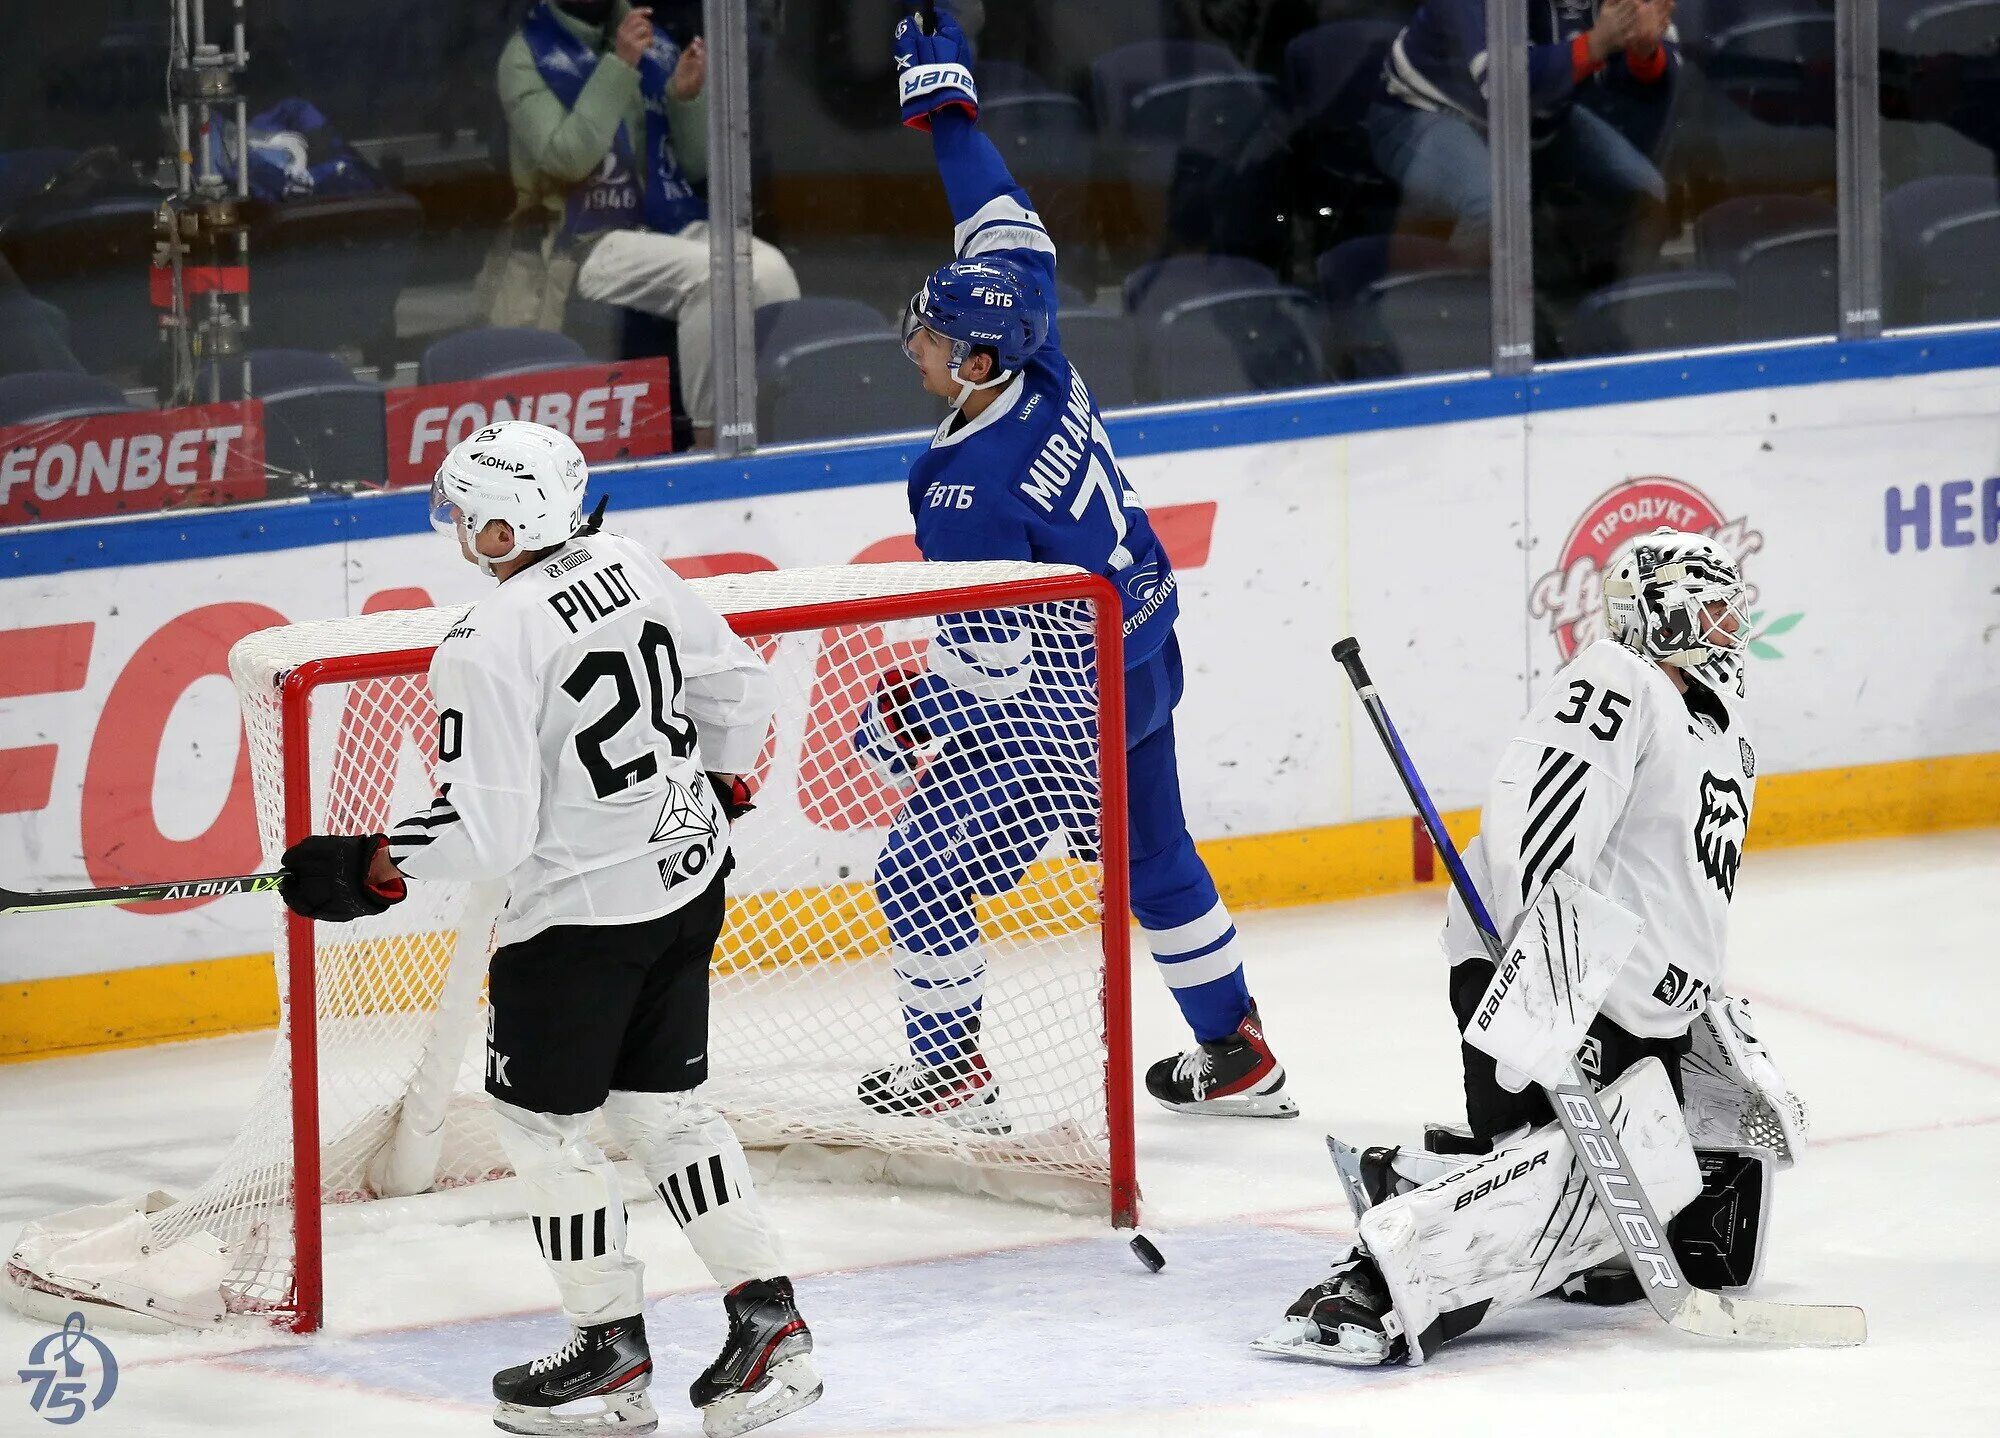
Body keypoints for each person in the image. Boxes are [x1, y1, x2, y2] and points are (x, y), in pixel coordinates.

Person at [277, 420, 822, 1437]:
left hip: (576, 924)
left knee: (545, 1125)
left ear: (499, 523)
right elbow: (740, 692)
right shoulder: (626, 559)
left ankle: (607, 1356)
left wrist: (370, 865)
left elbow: (487, 834)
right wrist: (711, 792)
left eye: (464, 508)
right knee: (667, 1113)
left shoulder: (484, 644)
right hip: (688, 878)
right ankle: (770, 1328)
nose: (454, 524)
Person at [848, 5, 1295, 1126]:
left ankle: (951, 1071)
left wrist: (912, 703)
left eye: (935, 338)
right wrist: (946, 106)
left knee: (916, 874)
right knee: (1154, 858)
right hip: (1138, 645)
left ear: (980, 357)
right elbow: (993, 204)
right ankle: (1233, 1048)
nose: (918, 343)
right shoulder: (1040, 347)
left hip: (1053, 703)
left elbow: (990, 670)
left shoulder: (961, 489)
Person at [1256, 528, 1810, 1366]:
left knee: (1711, 1241)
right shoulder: (1616, 679)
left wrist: (1702, 1005)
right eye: (1712, 605)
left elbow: (1687, 885)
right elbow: (1537, 829)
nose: (1731, 625)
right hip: (1554, 978)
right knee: (1550, 1186)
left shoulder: (1724, 726)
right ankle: (1374, 1280)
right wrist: (1546, 989)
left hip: (1645, 1004)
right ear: (1658, 609)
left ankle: (1413, 1172)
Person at [491, 2, 800, 448]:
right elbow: (567, 160)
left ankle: (776, 428)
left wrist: (686, 99)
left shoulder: (651, 42)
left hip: (666, 222)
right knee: (718, 277)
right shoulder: (524, 56)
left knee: (771, 269)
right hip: (581, 240)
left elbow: (694, 164)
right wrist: (618, 66)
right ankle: (715, 442)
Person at [1365, 0, 1679, 260]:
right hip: (1426, 109)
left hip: (1542, 117)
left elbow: (1643, 85)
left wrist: (1643, 53)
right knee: (1490, 209)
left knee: (1647, 194)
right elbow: (1505, 86)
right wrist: (1595, 44)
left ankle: (1606, 312)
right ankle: (1458, 319)